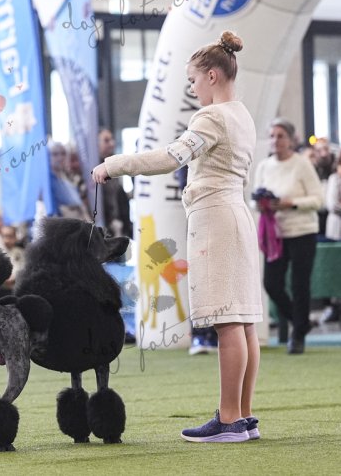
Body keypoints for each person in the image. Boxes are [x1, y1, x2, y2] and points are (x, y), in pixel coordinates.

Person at [93, 30, 262, 443]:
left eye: (193, 79)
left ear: (211, 76)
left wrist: (114, 164)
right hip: (237, 216)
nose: (191, 88)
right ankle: (243, 416)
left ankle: (228, 420)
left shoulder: (211, 117)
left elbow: (171, 158)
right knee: (243, 321)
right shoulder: (242, 114)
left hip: (216, 219)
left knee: (226, 321)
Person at [254, 117, 323, 355]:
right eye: (272, 136)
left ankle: (298, 336)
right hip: (275, 235)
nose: (276, 140)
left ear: (291, 140)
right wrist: (262, 205)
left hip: (302, 231)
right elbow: (254, 199)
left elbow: (318, 200)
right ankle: (300, 322)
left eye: (281, 136)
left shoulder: (302, 164)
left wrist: (290, 203)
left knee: (299, 284)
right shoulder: (263, 166)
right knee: (271, 284)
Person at [98, 128, 134, 238]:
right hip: (104, 229)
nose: (111, 143)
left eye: (112, 139)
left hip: (119, 227)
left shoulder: (113, 165)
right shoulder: (94, 169)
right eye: (106, 140)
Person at [49, 141, 88, 220]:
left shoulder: (68, 181)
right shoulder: (47, 183)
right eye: (55, 154)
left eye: (63, 153)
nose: (60, 158)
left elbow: (81, 208)